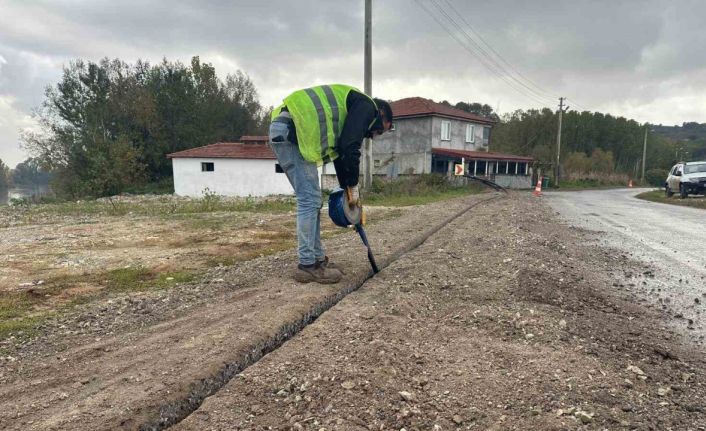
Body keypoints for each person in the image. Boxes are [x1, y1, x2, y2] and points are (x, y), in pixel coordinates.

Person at [269, 84, 393, 284]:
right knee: (309, 200)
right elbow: (350, 147)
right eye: (379, 130)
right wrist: (353, 190)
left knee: (313, 199)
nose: (373, 135)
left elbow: (340, 154)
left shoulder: (349, 111)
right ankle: (307, 265)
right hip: (292, 130)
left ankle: (317, 260)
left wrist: (349, 195)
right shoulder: (367, 107)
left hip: (290, 129)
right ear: (381, 114)